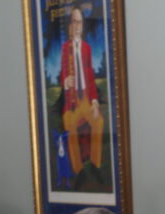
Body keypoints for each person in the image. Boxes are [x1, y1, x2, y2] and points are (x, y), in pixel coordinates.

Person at [59, 4, 105, 180]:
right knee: (69, 125)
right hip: (72, 100)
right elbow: (63, 70)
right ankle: (79, 171)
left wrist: (94, 102)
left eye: (80, 22)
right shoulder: (65, 48)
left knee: (99, 121)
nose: (77, 26)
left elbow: (91, 76)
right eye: (74, 22)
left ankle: (95, 164)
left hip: (86, 96)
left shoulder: (87, 48)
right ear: (69, 26)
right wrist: (65, 81)